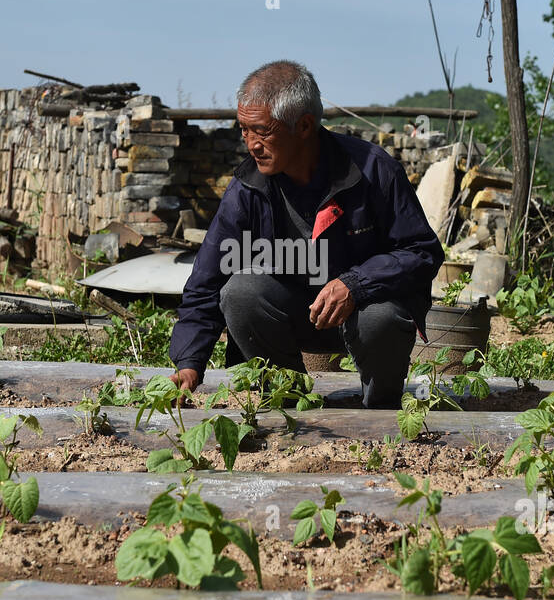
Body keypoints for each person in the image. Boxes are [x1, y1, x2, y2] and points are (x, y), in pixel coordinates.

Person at [167, 60, 443, 408]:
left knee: (381, 317)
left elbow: (421, 251)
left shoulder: (373, 170)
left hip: (363, 318)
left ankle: (380, 407)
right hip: (296, 316)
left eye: (262, 131)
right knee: (240, 291)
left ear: (305, 126)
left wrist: (356, 285)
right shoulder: (247, 189)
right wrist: (190, 362)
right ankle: (288, 402)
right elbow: (207, 280)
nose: (251, 144)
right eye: (243, 130)